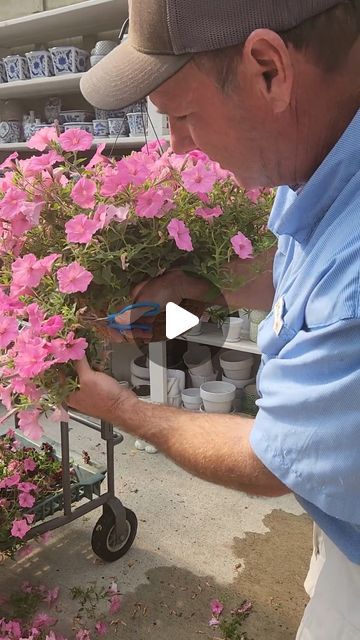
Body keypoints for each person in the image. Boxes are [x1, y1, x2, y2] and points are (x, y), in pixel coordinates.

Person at [72, 1, 360, 637]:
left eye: (181, 115)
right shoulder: (319, 151)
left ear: (267, 69)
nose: (176, 146)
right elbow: (302, 274)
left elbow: (275, 461)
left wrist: (115, 403)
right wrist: (197, 285)